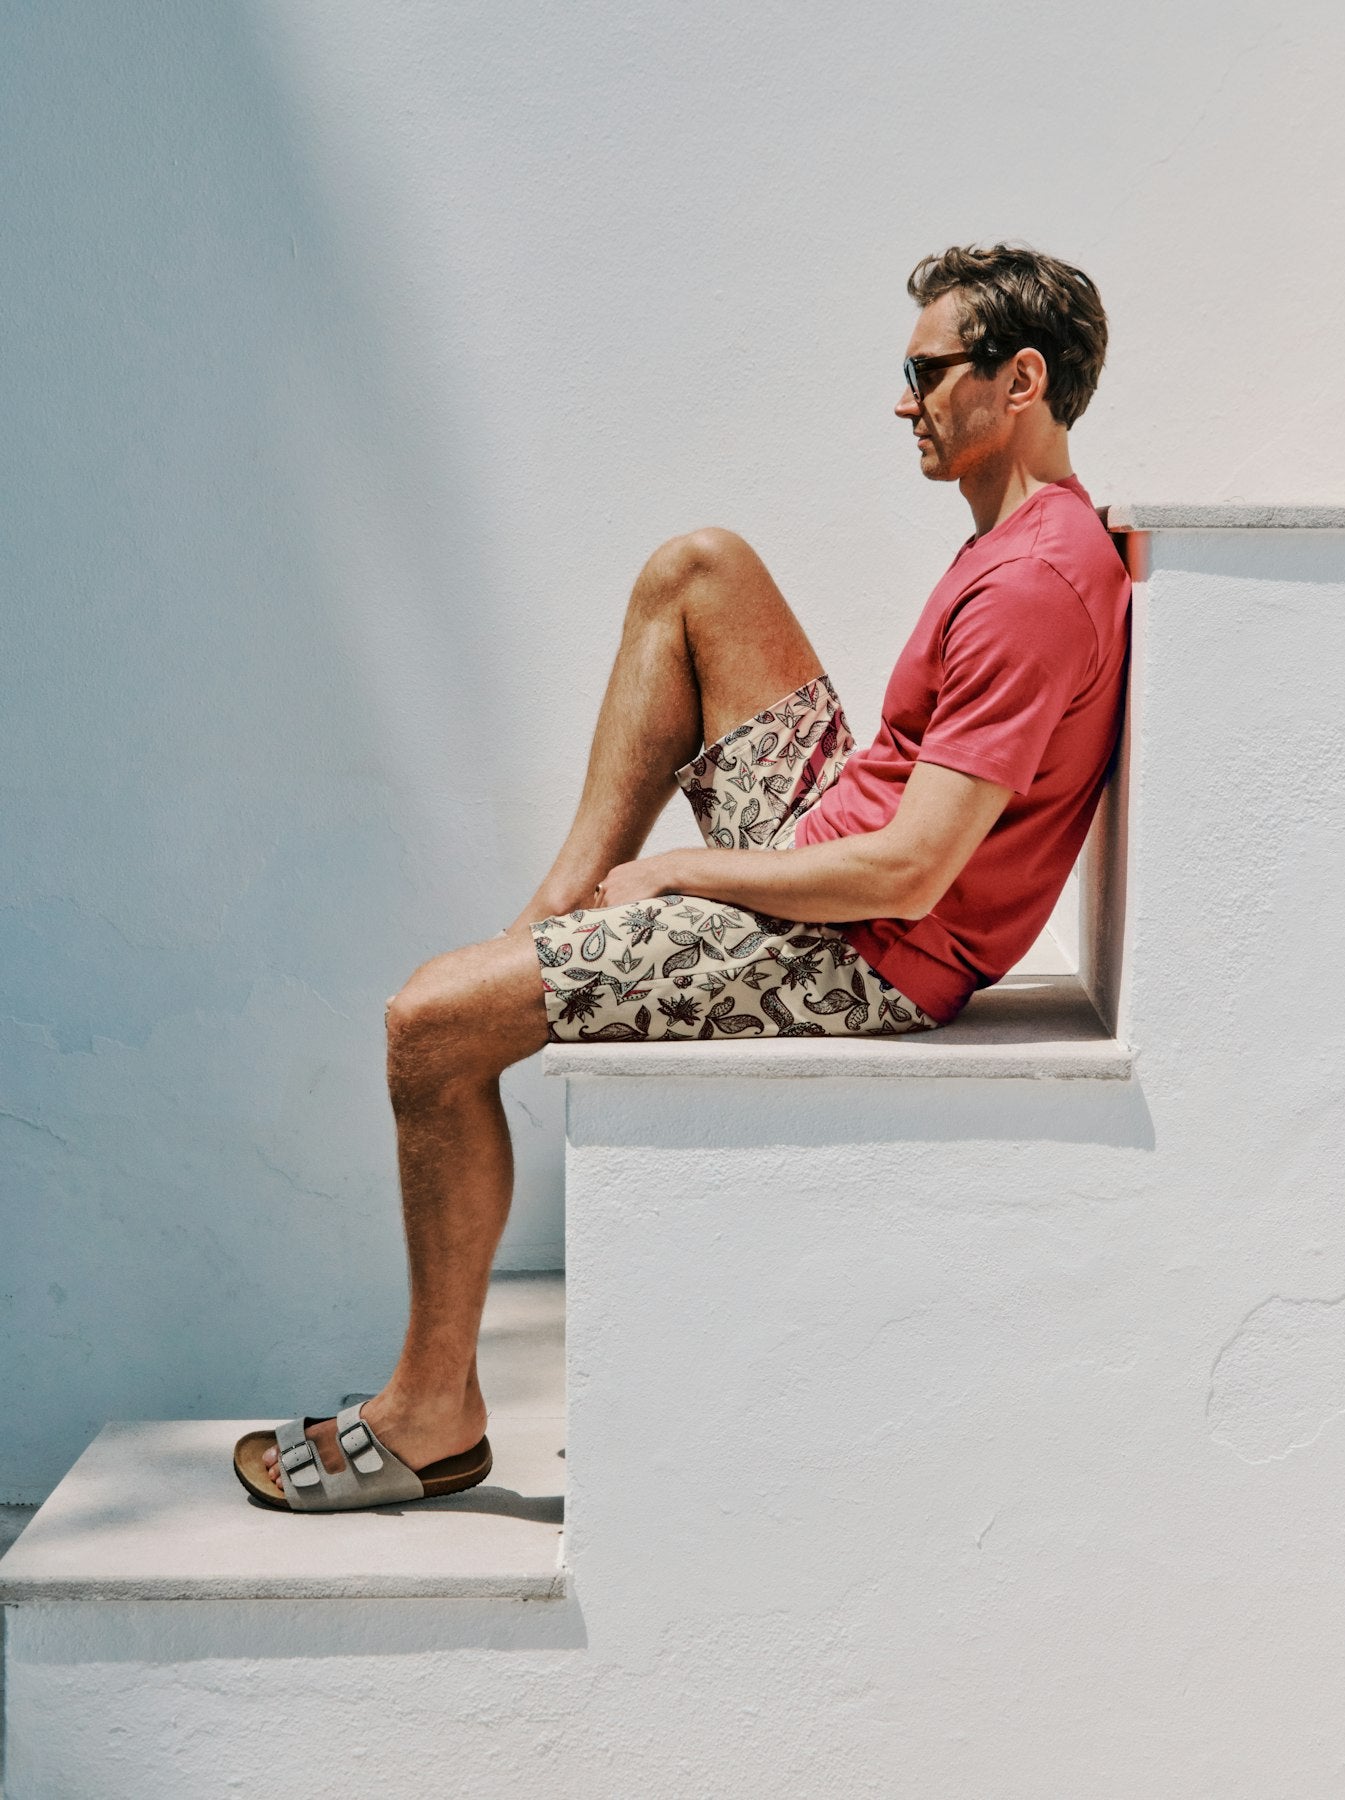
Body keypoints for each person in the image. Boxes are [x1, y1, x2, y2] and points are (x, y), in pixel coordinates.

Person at [233, 242, 1131, 1511]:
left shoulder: (1033, 584)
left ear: (1020, 380)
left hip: (865, 953)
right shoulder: (1025, 540)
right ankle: (551, 929)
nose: (903, 402)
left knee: (427, 1027)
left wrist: (681, 876)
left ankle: (431, 1414)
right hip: (827, 842)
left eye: (928, 372)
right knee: (697, 567)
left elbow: (914, 873)